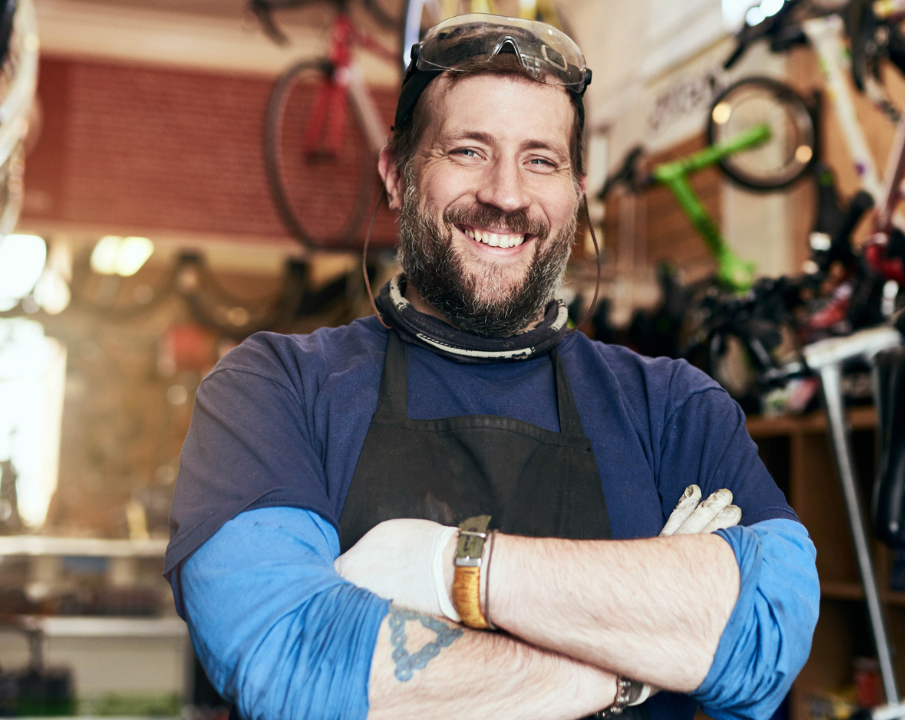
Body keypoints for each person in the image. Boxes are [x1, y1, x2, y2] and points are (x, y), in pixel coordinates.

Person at [164, 14, 819, 720]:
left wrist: (446, 567)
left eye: (541, 159)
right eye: (470, 150)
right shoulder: (272, 392)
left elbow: (764, 638)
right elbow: (292, 663)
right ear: (396, 173)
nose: (507, 195)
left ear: (577, 193)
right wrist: (635, 667)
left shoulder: (673, 409)